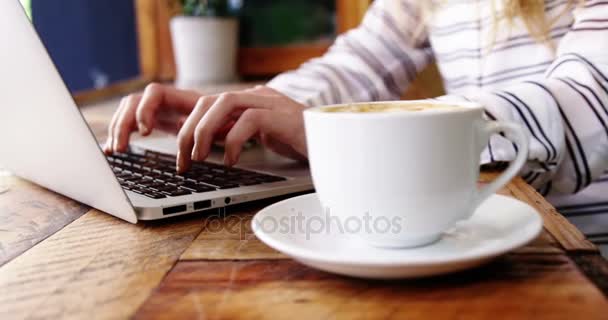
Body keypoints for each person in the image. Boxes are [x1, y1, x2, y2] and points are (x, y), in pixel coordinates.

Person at [105, 0, 607, 252]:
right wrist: (256, 107)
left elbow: (590, 98)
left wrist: (339, 131)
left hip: (577, 250)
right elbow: (358, 64)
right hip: (466, 230)